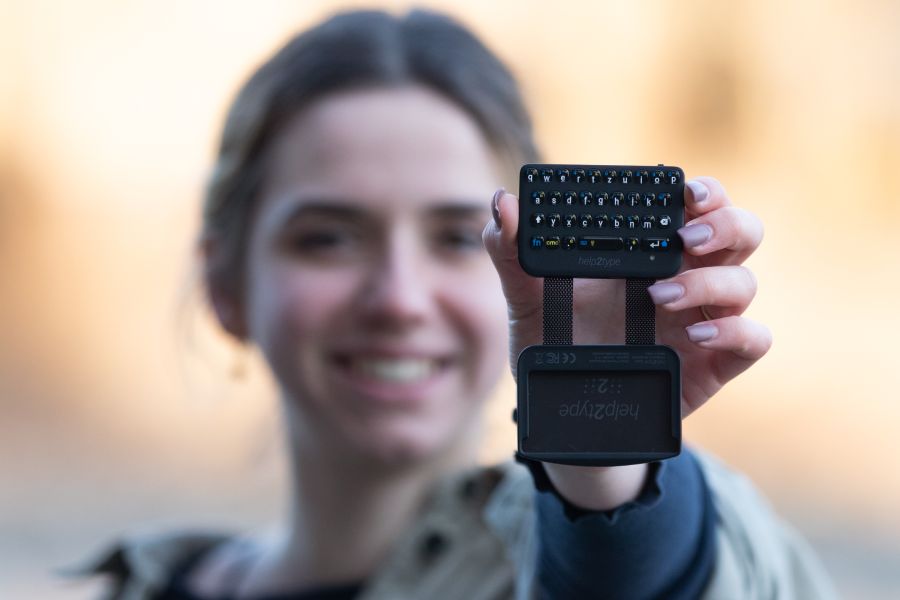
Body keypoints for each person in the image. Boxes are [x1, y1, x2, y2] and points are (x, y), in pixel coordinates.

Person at [84, 8, 837, 599]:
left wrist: (601, 439)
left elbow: (647, 576)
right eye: (328, 239)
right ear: (225, 285)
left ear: (541, 260)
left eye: (453, 236)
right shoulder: (149, 584)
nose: (399, 299)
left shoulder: (582, 556)